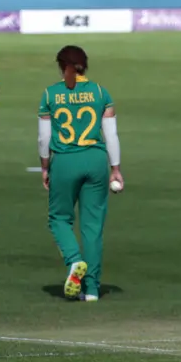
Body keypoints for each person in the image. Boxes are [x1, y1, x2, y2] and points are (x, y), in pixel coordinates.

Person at [37, 45, 124, 302]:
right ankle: (93, 290)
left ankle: (74, 260)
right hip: (96, 161)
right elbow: (111, 135)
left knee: (59, 219)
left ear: (62, 66)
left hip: (65, 161)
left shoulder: (51, 94)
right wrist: (115, 169)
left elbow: (44, 139)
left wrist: (44, 166)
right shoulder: (100, 92)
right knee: (93, 228)